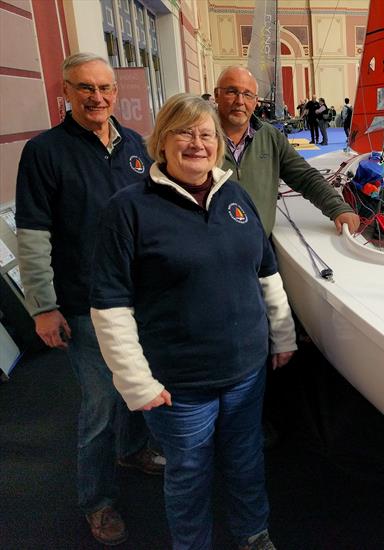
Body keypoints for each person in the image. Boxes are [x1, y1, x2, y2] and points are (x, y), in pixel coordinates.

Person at [89, 93, 296, 550]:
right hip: (179, 385)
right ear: (162, 141)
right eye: (184, 132)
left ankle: (253, 533)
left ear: (218, 146)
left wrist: (283, 335)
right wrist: (136, 383)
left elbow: (265, 271)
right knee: (189, 473)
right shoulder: (129, 210)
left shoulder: (235, 196)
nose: (197, 143)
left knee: (245, 460)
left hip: (245, 371)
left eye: (206, 134)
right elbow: (110, 306)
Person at [15, 52, 163, 546]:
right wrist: (43, 306)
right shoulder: (45, 152)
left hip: (137, 299)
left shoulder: (137, 147)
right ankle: (96, 501)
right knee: (99, 407)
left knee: (137, 384)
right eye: (85, 89)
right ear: (66, 91)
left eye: (104, 88)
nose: (97, 98)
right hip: (83, 302)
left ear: (115, 92)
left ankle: (134, 450)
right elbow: (33, 234)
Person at [213, 67, 359, 236]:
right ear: (217, 95)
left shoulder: (270, 137)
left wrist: (337, 207)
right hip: (212, 251)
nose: (240, 101)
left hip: (259, 249)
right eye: (232, 91)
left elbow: (304, 176)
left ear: (255, 101)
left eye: (247, 95)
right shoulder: (199, 137)